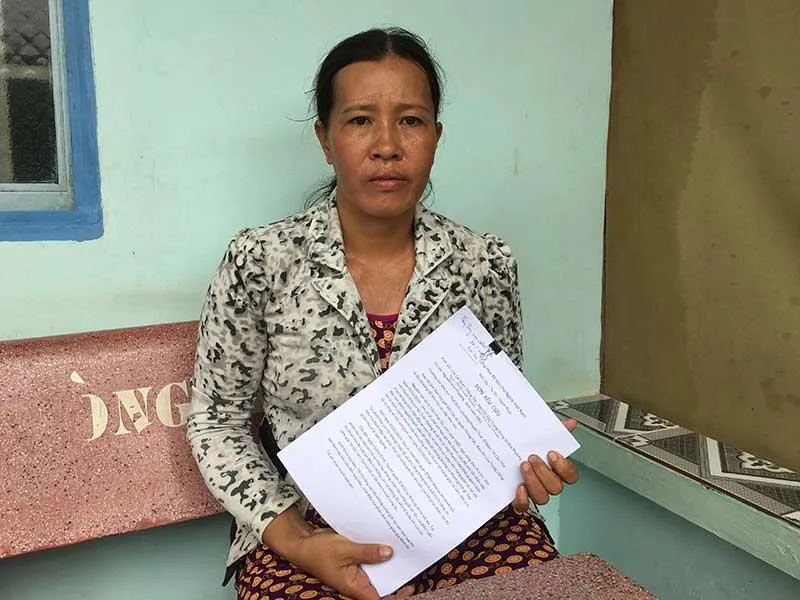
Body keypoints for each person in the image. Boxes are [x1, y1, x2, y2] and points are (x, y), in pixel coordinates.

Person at [188, 27, 579, 600]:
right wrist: (296, 540)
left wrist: (524, 463)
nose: (388, 146)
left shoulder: (484, 262)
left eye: (411, 120)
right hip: (310, 532)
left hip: (466, 528)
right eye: (360, 120)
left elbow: (497, 414)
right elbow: (217, 420)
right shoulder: (263, 261)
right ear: (325, 138)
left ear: (437, 136)